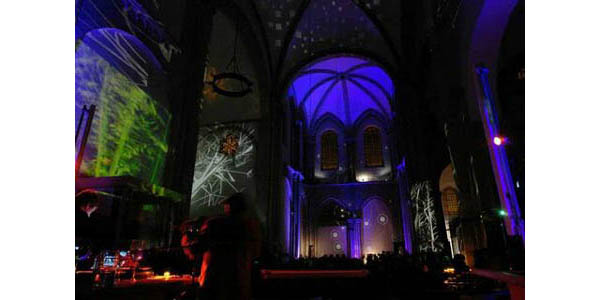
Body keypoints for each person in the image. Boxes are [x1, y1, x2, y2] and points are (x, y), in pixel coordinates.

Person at [197, 193, 262, 300]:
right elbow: (256, 252)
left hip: (214, 280)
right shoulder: (251, 227)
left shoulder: (214, 223)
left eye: (226, 205)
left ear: (229, 207)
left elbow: (199, 247)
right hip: (240, 280)